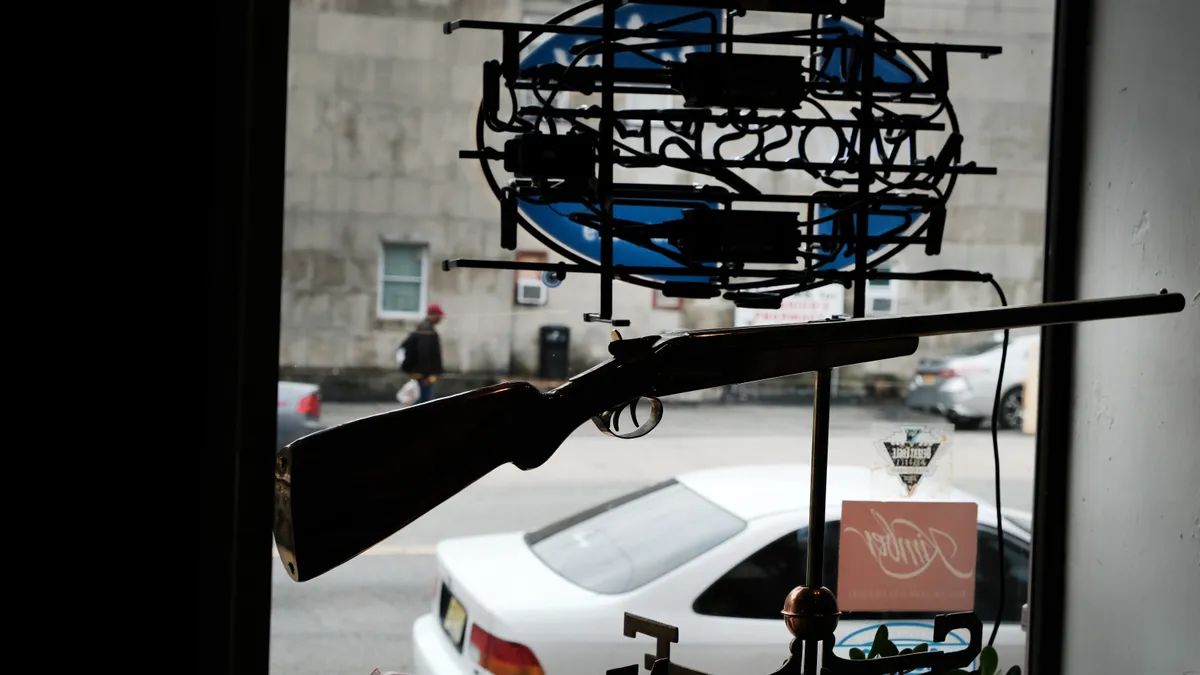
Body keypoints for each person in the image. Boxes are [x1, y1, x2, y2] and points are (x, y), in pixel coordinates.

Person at [398, 304, 445, 404]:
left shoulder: (422, 329)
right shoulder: (426, 333)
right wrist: (426, 375)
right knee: (425, 401)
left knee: (421, 400)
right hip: (425, 376)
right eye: (438, 315)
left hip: (420, 374)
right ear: (431, 315)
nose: (441, 318)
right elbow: (425, 354)